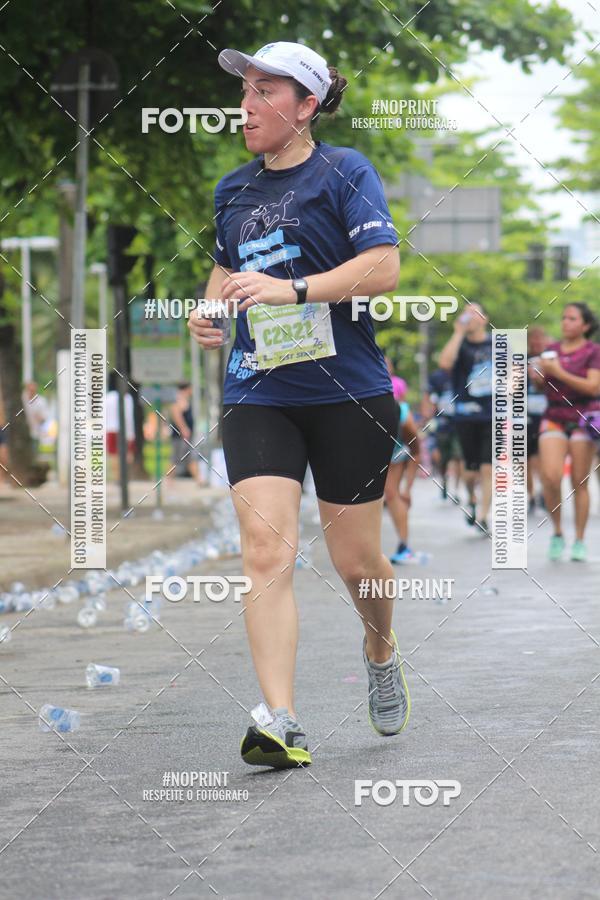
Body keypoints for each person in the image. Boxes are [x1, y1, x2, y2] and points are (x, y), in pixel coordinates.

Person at [189, 41, 410, 769]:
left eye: (265, 91)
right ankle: (280, 718)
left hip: (348, 391)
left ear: (307, 106)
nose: (246, 104)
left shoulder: (345, 172)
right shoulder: (232, 189)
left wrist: (294, 290)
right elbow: (227, 263)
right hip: (260, 390)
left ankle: (379, 648)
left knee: (356, 562)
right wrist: (210, 308)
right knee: (264, 552)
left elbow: (383, 266)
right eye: (244, 90)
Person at [530, 303, 600, 561]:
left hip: (583, 418)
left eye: (572, 318)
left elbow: (593, 387)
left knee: (579, 481)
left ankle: (579, 540)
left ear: (585, 325)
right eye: (564, 318)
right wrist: (537, 377)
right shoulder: (551, 351)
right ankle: (557, 532)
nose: (565, 323)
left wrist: (558, 371)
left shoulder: (593, 352)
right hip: (554, 417)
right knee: (550, 476)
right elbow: (541, 386)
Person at [439, 303, 493, 534]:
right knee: (470, 472)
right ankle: (471, 497)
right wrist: (458, 333)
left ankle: (483, 515)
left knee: (488, 468)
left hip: (493, 414)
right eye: (466, 313)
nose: (470, 317)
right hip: (465, 415)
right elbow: (445, 364)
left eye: (475, 312)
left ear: (485, 318)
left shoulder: (497, 343)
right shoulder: (459, 345)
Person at [383, 358, 421, 563]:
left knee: (391, 493)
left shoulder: (402, 409)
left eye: (388, 363)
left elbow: (416, 451)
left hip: (395, 447)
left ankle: (404, 544)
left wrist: (408, 487)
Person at [423, 366, 463, 501]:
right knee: (442, 459)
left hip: (459, 422)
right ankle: (444, 481)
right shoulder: (437, 377)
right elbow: (429, 399)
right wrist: (428, 419)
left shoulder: (463, 371)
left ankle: (456, 490)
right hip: (442, 424)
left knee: (459, 456)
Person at [526, 327, 549, 512]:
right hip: (523, 415)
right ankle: (531, 494)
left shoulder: (550, 360)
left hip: (546, 414)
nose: (536, 342)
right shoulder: (519, 360)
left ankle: (543, 491)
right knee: (523, 458)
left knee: (542, 456)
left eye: (540, 338)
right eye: (533, 339)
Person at [106, 371, 136, 482]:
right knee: (125, 455)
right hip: (124, 430)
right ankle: (123, 477)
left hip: (110, 429)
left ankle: (117, 477)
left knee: (114, 455)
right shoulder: (127, 397)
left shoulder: (107, 398)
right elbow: (128, 418)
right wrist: (131, 435)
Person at [168, 383, 198, 480]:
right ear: (187, 388)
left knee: (189, 457)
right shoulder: (180, 398)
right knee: (176, 459)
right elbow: (176, 414)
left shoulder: (181, 398)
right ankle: (168, 480)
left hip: (183, 436)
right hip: (180, 436)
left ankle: (199, 479)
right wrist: (184, 429)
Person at [22, 381, 51, 457]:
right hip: (22, 433)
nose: (30, 392)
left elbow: (45, 418)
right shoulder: (22, 400)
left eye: (32, 390)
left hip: (35, 433)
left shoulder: (41, 401)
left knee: (32, 455)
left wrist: (39, 418)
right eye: (29, 390)